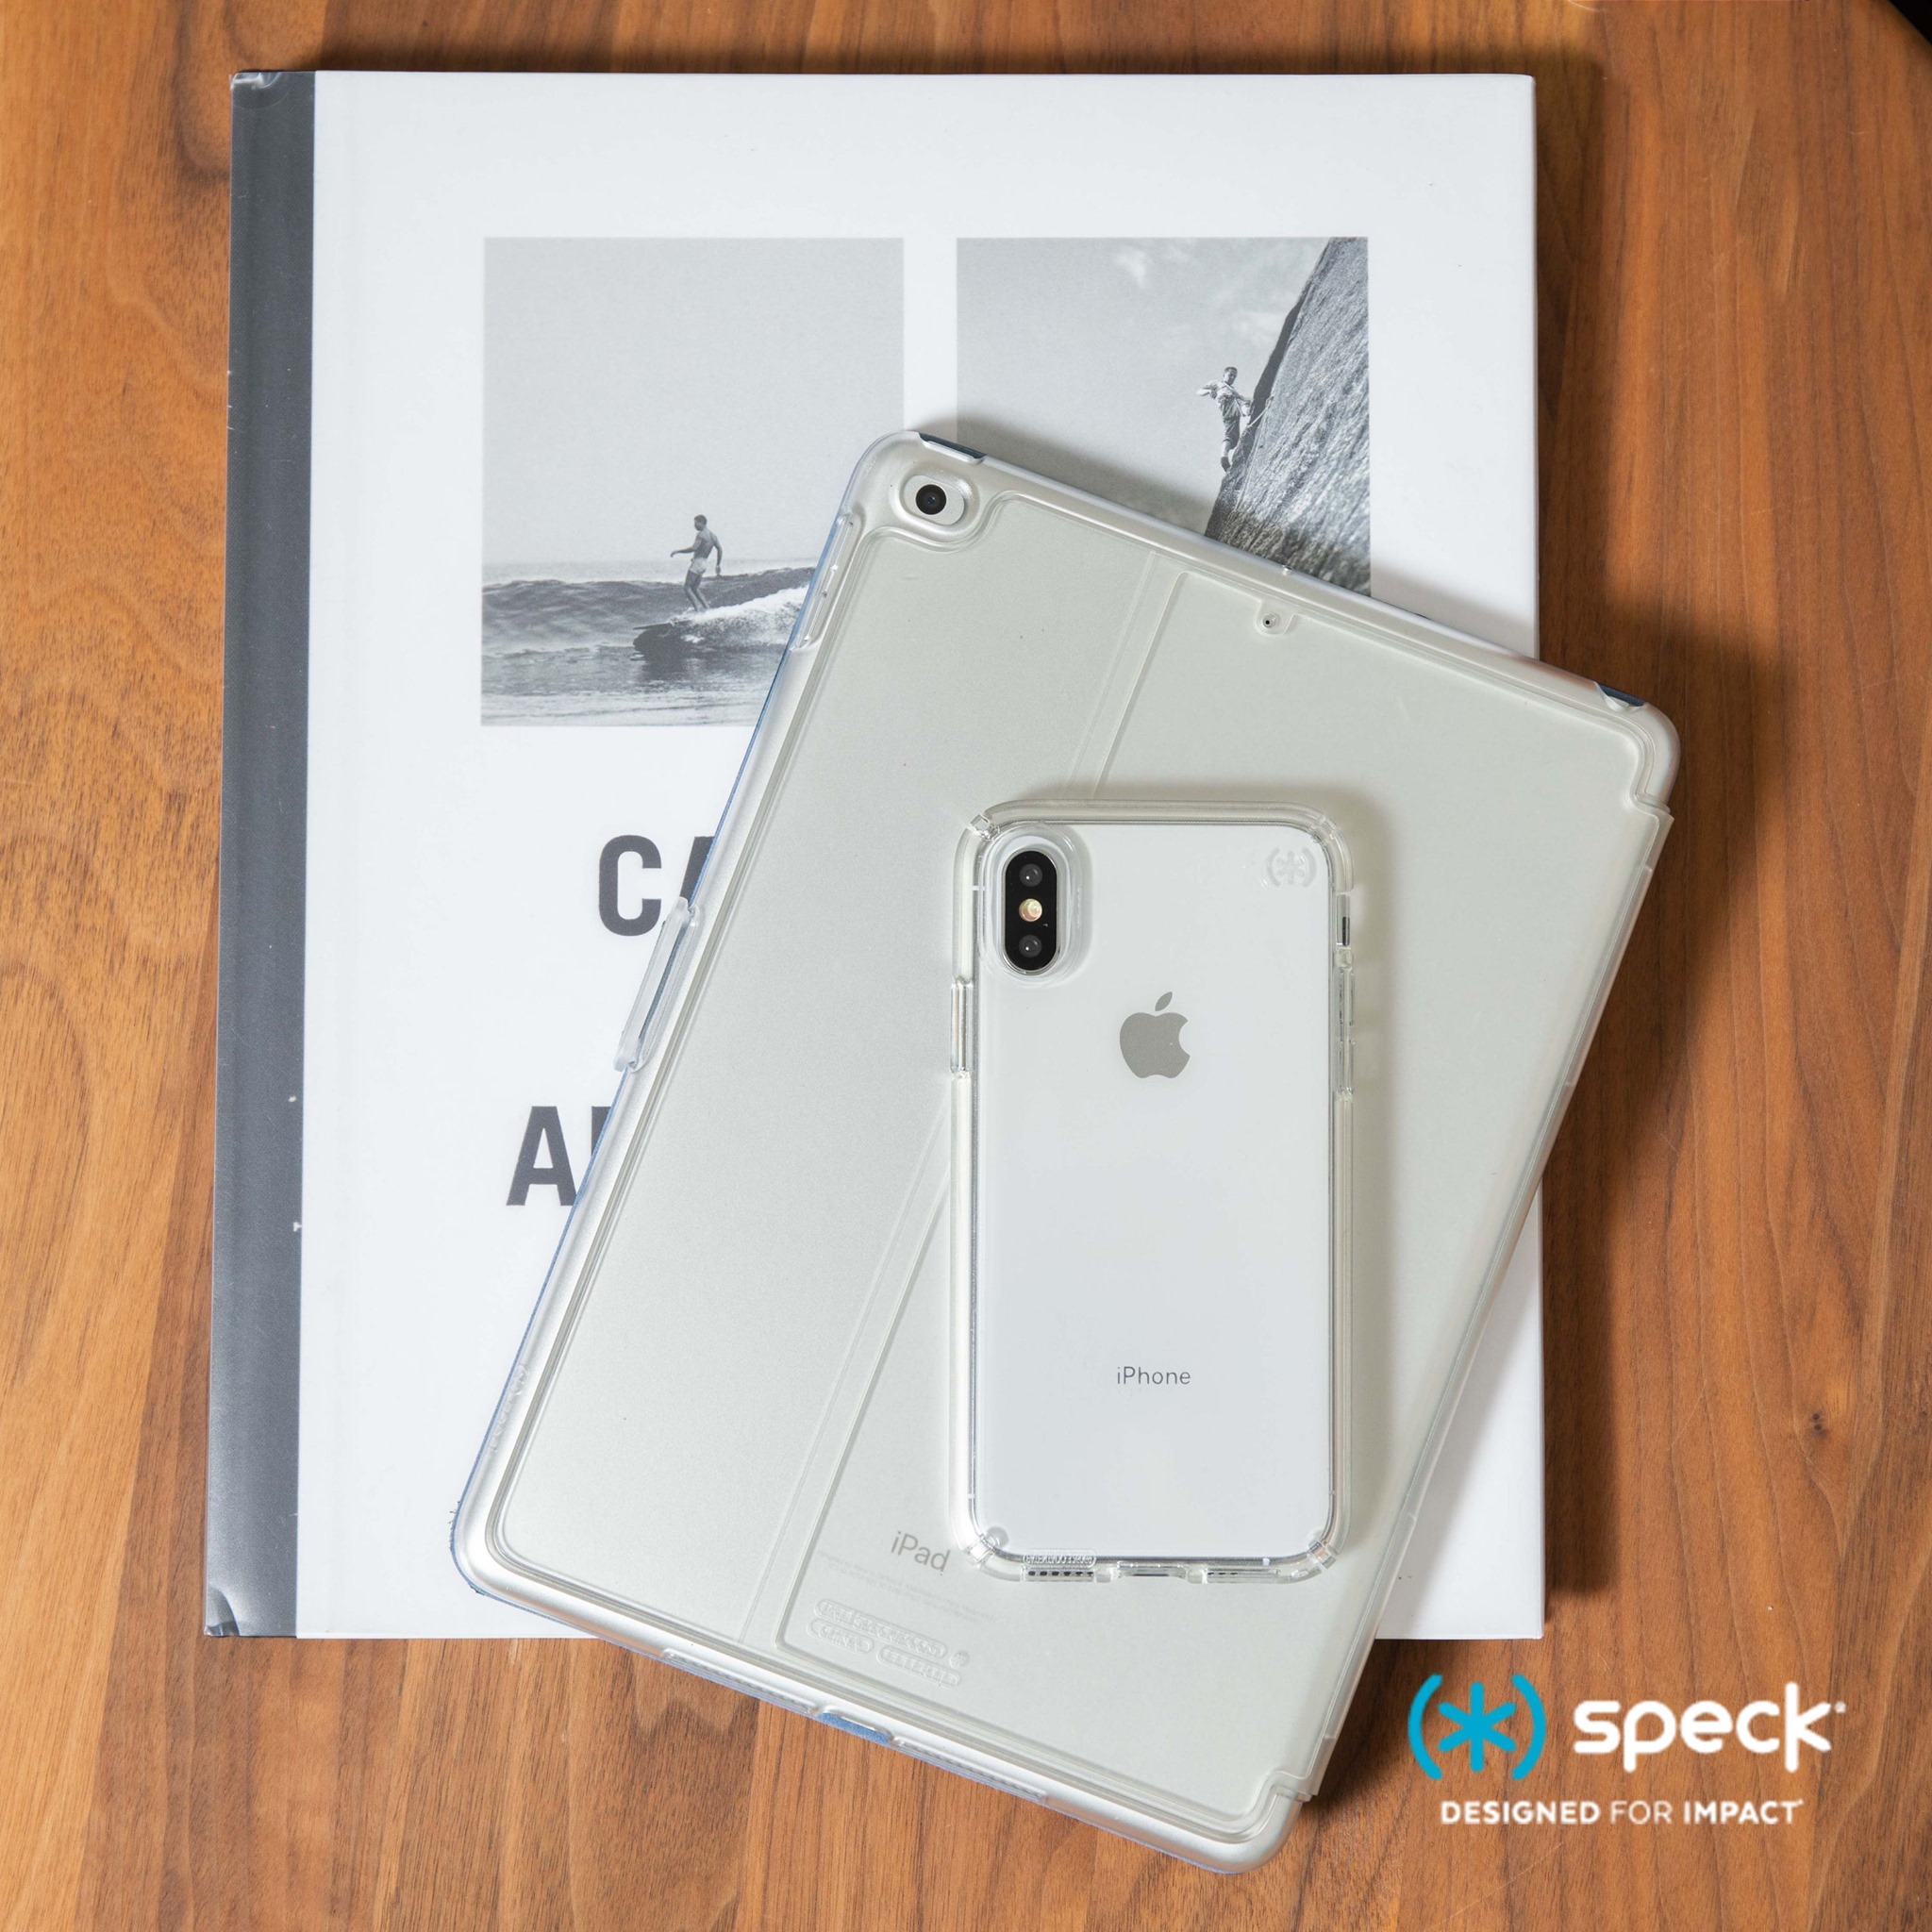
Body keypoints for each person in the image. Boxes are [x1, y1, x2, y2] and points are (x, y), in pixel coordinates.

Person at [1197, 366, 1252, 472]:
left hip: (1228, 413)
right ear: (1224, 375)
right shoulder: (1217, 383)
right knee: (1240, 403)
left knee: (1232, 437)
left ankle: (1224, 458)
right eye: (1230, 375)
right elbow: (1199, 392)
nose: (1232, 378)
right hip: (1227, 404)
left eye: (1234, 376)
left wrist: (1256, 399)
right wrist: (1209, 391)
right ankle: (1248, 411)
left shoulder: (1232, 390)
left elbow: (1243, 397)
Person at [670, 515, 725, 610]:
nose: (694, 526)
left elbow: (693, 548)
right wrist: (718, 564)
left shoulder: (701, 534)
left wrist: (677, 551)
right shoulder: (713, 536)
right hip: (704, 563)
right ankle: (707, 609)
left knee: (687, 587)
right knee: (695, 588)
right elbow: (720, 549)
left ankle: (697, 610)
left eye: (696, 523)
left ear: (702, 523)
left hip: (697, 563)